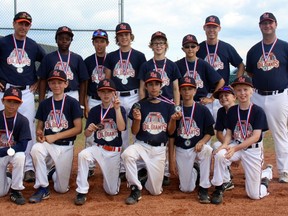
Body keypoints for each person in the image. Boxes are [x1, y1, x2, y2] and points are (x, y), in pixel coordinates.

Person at [210, 76, 273, 205]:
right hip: (237, 144)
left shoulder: (258, 111)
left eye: (245, 89)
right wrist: (226, 145)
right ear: (235, 93)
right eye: (239, 90)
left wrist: (234, 149)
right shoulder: (233, 111)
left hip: (252, 150)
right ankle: (219, 187)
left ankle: (265, 177)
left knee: (254, 195)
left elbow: (256, 136)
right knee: (220, 155)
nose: (242, 93)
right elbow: (228, 133)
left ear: (252, 91)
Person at [0, 12, 46, 182]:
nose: (23, 27)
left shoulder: (33, 45)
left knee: (27, 127)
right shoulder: (3, 42)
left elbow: (47, 62)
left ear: (30, 26)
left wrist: (39, 79)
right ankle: (3, 164)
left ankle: (27, 167)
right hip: (5, 90)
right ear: (13, 24)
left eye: (26, 24)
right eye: (20, 23)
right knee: (2, 127)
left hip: (26, 92)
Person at [121, 71, 179, 205]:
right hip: (142, 145)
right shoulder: (139, 105)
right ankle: (135, 188)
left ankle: (144, 176)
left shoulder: (169, 106)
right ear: (146, 87)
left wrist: (173, 120)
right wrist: (137, 120)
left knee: (155, 191)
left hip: (159, 149)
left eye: (156, 84)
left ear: (161, 86)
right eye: (150, 84)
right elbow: (134, 132)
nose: (153, 87)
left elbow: (170, 132)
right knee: (127, 155)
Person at [246, 12, 288, 183]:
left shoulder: (285, 47)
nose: (267, 26)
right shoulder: (254, 50)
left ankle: (284, 171)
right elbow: (250, 72)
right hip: (257, 95)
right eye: (264, 23)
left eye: (270, 23)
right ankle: (257, 167)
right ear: (260, 26)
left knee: (280, 133)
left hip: (279, 95)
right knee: (255, 133)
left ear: (276, 25)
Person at [29, 69, 82, 203]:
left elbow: (78, 128)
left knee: (61, 189)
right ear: (49, 84)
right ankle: (42, 188)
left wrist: (56, 136)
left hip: (66, 146)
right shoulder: (44, 103)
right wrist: (39, 133)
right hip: (49, 144)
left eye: (59, 82)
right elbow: (39, 126)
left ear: (66, 84)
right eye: (53, 82)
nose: (56, 85)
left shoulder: (72, 102)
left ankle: (52, 171)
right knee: (36, 149)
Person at [104, 22, 146, 179]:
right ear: (117, 38)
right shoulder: (111, 56)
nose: (124, 37)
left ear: (131, 36)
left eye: (126, 34)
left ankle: (139, 166)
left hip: (134, 95)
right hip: (117, 97)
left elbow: (142, 81)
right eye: (121, 35)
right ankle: (122, 167)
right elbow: (107, 78)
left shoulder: (139, 56)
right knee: (121, 132)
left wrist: (142, 102)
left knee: (137, 131)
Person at [138, 31, 181, 185]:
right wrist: (143, 105)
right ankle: (145, 168)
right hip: (150, 104)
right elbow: (142, 88)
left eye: (161, 43)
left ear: (166, 46)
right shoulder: (146, 65)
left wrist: (176, 107)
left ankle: (166, 169)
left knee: (169, 137)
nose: (158, 46)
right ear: (151, 46)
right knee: (150, 133)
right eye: (156, 43)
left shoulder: (172, 65)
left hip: (168, 104)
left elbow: (176, 88)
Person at [74, 79, 126, 205]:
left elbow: (121, 128)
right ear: (98, 93)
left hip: (113, 151)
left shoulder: (120, 109)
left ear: (115, 93)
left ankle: (116, 178)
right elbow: (86, 133)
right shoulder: (95, 110)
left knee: (111, 191)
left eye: (109, 92)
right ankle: (81, 191)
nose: (106, 95)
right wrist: (90, 130)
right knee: (83, 155)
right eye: (103, 92)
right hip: (98, 147)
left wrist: (117, 109)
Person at [171, 76, 214, 204]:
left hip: (197, 147)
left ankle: (204, 188)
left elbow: (210, 132)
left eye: (190, 89)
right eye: (184, 89)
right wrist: (174, 120)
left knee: (207, 150)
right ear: (180, 91)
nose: (187, 92)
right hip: (181, 148)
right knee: (186, 188)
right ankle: (194, 169)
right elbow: (171, 135)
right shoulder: (175, 110)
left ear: (195, 91)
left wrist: (202, 141)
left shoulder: (202, 109)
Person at [197, 15, 245, 119]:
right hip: (204, 94)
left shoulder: (226, 47)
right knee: (205, 130)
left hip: (223, 94)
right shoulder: (198, 49)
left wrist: (235, 83)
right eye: (209, 27)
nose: (211, 30)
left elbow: (240, 64)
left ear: (219, 28)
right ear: (204, 28)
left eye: (214, 27)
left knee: (226, 129)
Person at [37, 26, 89, 110]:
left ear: (71, 41)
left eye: (67, 39)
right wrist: (41, 101)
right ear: (56, 40)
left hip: (72, 93)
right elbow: (42, 80)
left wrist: (81, 103)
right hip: (53, 93)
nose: (64, 41)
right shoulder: (48, 58)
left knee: (72, 121)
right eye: (61, 39)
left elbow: (83, 81)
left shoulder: (77, 58)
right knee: (53, 120)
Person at [175, 34, 224, 117]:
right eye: (187, 46)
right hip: (184, 103)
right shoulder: (177, 65)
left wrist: (211, 98)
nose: (190, 49)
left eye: (193, 46)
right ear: (183, 49)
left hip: (201, 103)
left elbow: (221, 81)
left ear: (197, 48)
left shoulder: (203, 64)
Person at [84, 29, 109, 178]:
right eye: (97, 41)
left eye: (102, 41)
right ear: (93, 43)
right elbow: (85, 84)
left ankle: (115, 164)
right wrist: (86, 104)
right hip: (93, 98)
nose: (99, 44)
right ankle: (90, 165)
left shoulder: (111, 58)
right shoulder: (88, 61)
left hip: (108, 99)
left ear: (107, 43)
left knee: (109, 130)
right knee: (90, 133)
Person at [0, 87, 31, 205]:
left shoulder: (22, 120)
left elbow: (22, 146)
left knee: (20, 156)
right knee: (1, 192)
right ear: (3, 101)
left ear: (20, 104)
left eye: (16, 102)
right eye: (9, 101)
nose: (12, 105)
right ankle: (8, 176)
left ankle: (16, 190)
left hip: (11, 153)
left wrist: (3, 152)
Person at [212, 86, 237, 191]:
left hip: (245, 145)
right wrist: (227, 146)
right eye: (220, 96)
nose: (223, 98)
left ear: (234, 97)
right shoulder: (221, 111)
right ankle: (227, 180)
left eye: (226, 95)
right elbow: (218, 133)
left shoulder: (240, 110)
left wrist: (235, 149)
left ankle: (267, 173)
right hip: (230, 142)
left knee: (254, 186)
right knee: (216, 146)